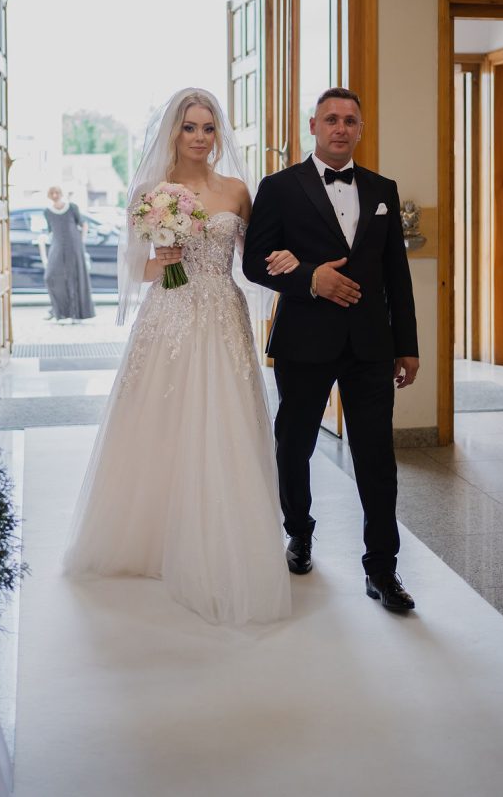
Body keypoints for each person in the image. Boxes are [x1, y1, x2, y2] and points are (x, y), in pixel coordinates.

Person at [63, 89, 291, 625]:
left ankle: (219, 534)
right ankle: (155, 536)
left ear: (219, 135)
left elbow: (250, 259)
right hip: (169, 312)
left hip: (223, 311)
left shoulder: (237, 190)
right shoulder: (151, 191)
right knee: (161, 420)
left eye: (208, 128)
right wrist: (161, 258)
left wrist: (288, 260)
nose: (199, 138)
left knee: (224, 420)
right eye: (190, 127)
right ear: (174, 131)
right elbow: (134, 270)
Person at [242, 87, 420, 612]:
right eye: (331, 119)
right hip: (304, 340)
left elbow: (397, 277)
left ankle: (382, 570)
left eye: (350, 120)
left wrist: (406, 344)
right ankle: (299, 530)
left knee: (377, 459)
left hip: (370, 346)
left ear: (360, 129)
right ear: (314, 127)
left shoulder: (382, 188)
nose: (341, 128)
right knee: (293, 445)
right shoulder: (278, 187)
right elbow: (255, 262)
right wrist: (310, 279)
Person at [38, 186, 95, 323]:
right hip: (57, 245)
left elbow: (83, 224)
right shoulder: (47, 212)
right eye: (52, 193)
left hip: (74, 246)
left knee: (74, 278)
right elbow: (49, 231)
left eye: (57, 192)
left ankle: (77, 315)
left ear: (61, 193)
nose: (55, 195)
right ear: (49, 195)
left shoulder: (72, 207)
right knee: (50, 276)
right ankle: (58, 310)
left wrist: (81, 243)